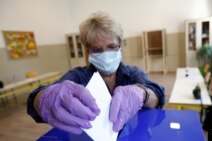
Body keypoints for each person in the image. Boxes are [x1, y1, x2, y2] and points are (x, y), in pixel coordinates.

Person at [27, 12, 165, 135]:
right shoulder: (79, 76)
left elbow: (157, 93)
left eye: (111, 47)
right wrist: (42, 99)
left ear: (120, 47)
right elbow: (43, 95)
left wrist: (143, 93)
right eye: (97, 49)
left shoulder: (132, 73)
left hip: (131, 134)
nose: (105, 54)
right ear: (88, 52)